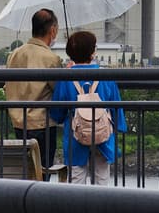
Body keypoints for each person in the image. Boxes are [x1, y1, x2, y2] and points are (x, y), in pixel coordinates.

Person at [50, 31, 127, 185]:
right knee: (101, 181)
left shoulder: (65, 78)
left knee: (76, 182)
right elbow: (116, 109)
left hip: (75, 137)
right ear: (93, 52)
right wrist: (120, 127)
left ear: (70, 53)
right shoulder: (106, 76)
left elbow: (57, 113)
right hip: (103, 137)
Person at [4, 8, 62, 179]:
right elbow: (58, 89)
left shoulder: (14, 54)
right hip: (42, 124)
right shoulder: (51, 58)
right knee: (42, 175)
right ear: (52, 30)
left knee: (25, 173)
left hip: (18, 122)